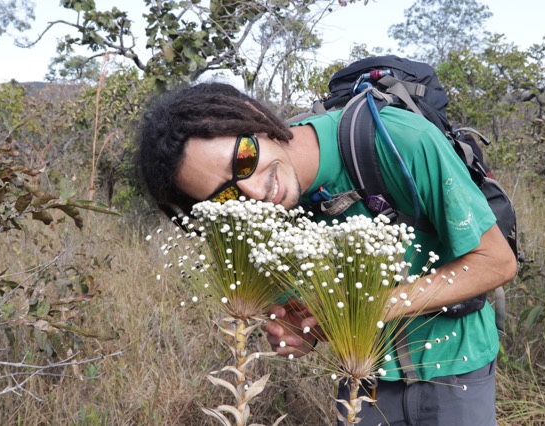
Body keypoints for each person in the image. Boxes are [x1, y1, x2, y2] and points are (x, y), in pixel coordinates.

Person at [136, 81, 517, 425]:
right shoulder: (255, 222)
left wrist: (366, 307)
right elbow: (303, 322)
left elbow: (495, 262)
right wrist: (300, 335)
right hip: (360, 378)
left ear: (255, 119)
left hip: (454, 367)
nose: (252, 192)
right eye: (225, 195)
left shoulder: (401, 140)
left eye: (243, 160)